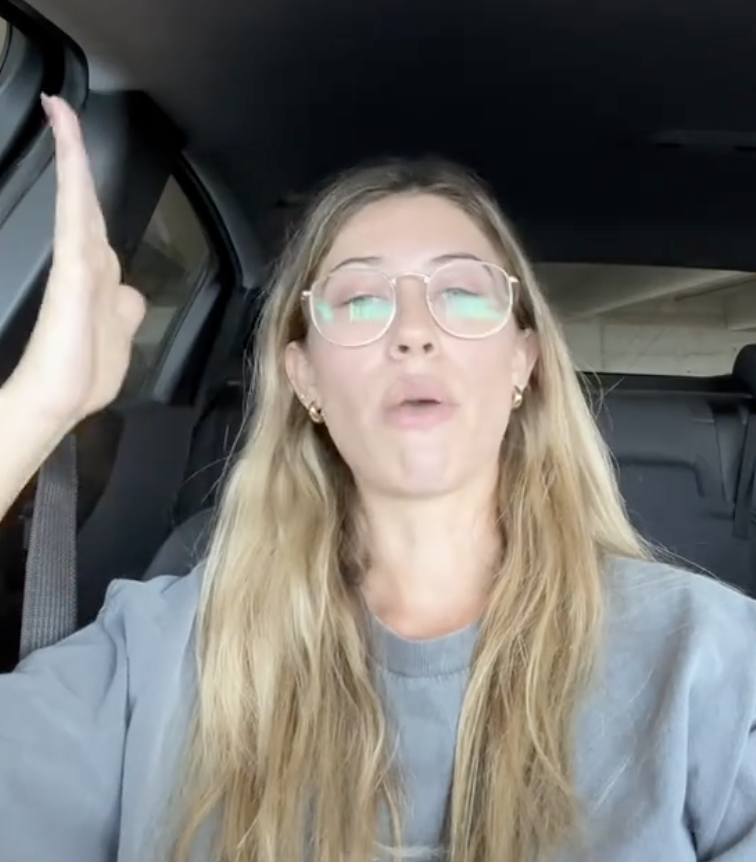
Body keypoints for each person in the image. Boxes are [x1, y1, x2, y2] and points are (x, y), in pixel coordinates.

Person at [0, 95, 755, 862]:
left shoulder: (711, 660)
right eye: (361, 301)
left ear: (523, 363)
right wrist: (38, 405)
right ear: (304, 377)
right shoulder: (156, 655)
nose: (414, 332)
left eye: (463, 293)